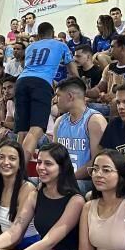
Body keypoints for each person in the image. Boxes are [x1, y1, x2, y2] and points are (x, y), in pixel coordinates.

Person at [15, 22, 78, 157]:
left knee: (22, 131)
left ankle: (14, 167)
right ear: (53, 32)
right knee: (36, 129)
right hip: (41, 83)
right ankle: (18, 171)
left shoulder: (30, 47)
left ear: (38, 35)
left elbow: (34, 67)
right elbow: (73, 71)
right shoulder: (61, 45)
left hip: (21, 82)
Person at [53, 78, 106, 189]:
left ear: (70, 96)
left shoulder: (94, 120)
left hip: (87, 182)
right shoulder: (59, 121)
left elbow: (97, 162)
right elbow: (54, 157)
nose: (55, 100)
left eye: (58, 95)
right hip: (63, 179)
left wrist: (69, 179)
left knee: (65, 189)